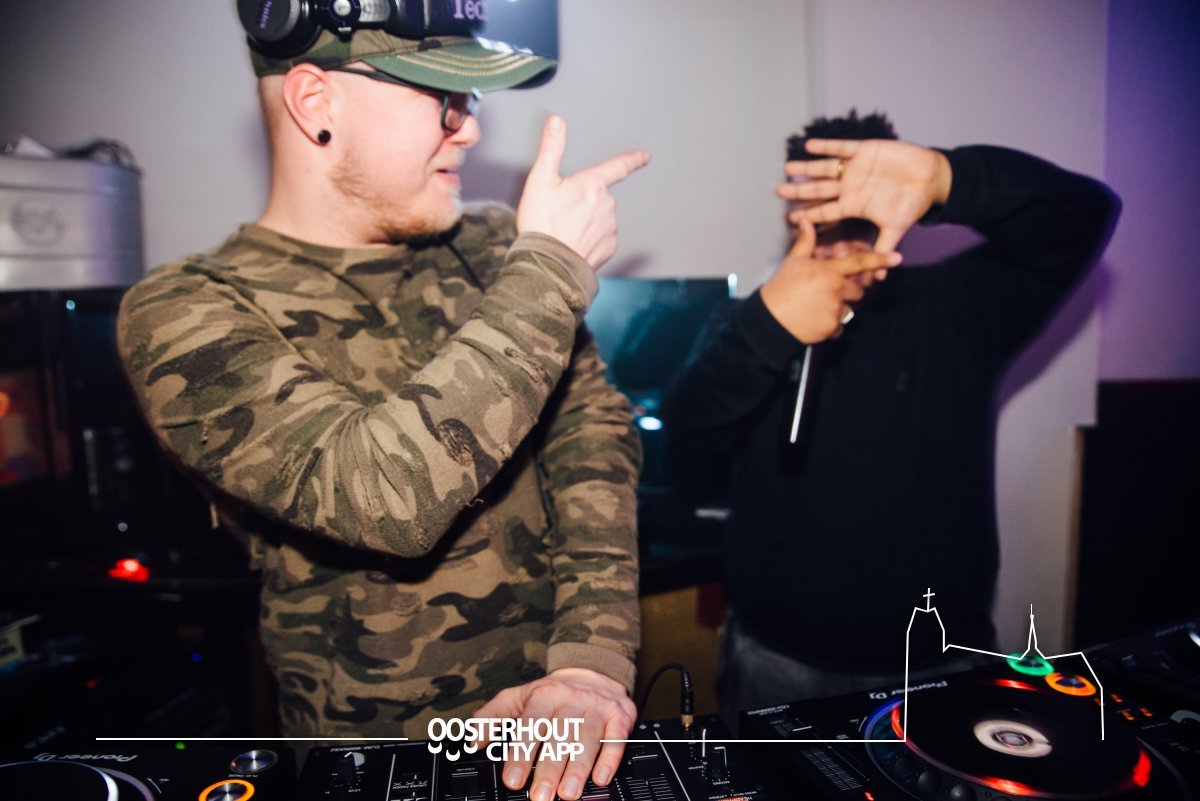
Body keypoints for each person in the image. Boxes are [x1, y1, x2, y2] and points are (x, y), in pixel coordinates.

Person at [117, 18, 650, 801]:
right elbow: (381, 498)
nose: (469, 128)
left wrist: (589, 664)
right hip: (373, 760)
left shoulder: (494, 246)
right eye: (441, 97)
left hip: (565, 728)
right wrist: (549, 272)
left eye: (470, 99)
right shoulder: (183, 310)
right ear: (315, 101)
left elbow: (591, 438)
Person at [661, 110, 1120, 727]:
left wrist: (947, 178)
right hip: (779, 655)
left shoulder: (960, 303)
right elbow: (686, 442)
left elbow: (1083, 216)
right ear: (792, 211)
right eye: (820, 203)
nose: (840, 229)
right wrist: (769, 328)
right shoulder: (749, 318)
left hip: (938, 654)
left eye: (858, 204)